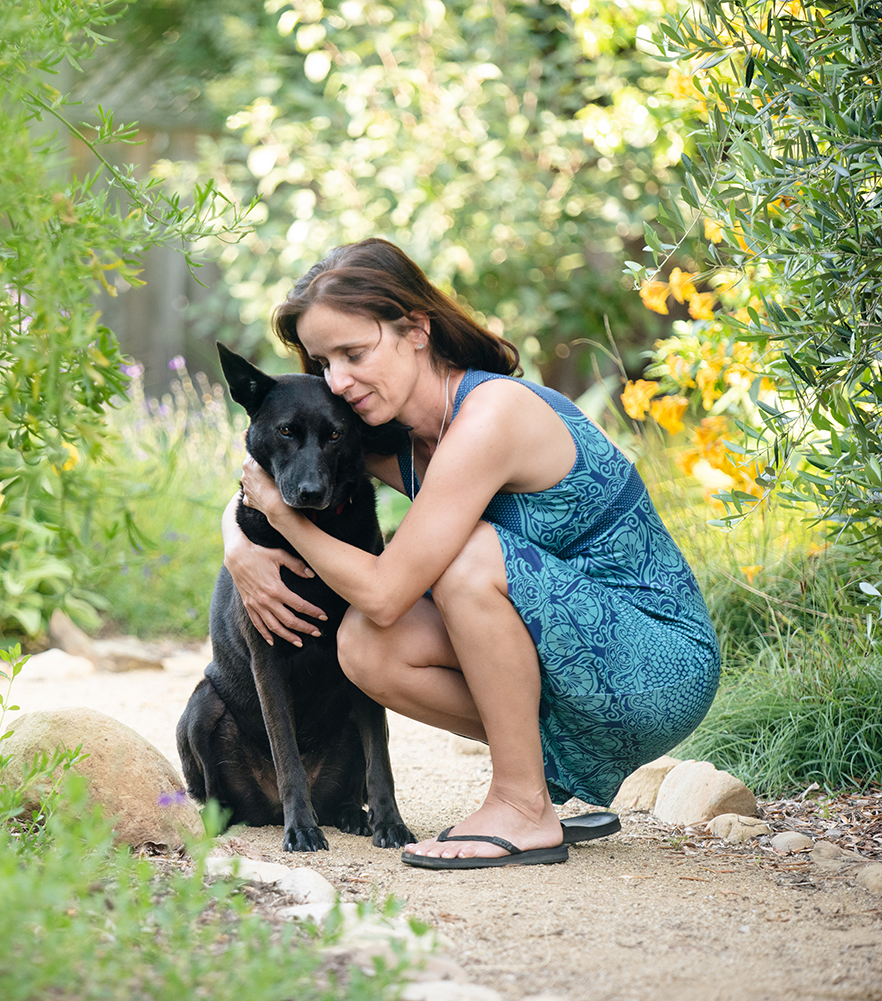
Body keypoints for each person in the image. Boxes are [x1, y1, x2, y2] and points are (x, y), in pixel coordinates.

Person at [224, 238, 721, 868]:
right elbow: (272, 464)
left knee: (461, 559)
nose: (338, 382)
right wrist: (235, 539)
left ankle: (522, 804)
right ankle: (540, 770)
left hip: (655, 659)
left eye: (354, 352)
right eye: (324, 363)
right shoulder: (399, 442)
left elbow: (384, 588)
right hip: (573, 659)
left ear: (416, 331)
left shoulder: (491, 415)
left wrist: (276, 519)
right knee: (366, 646)